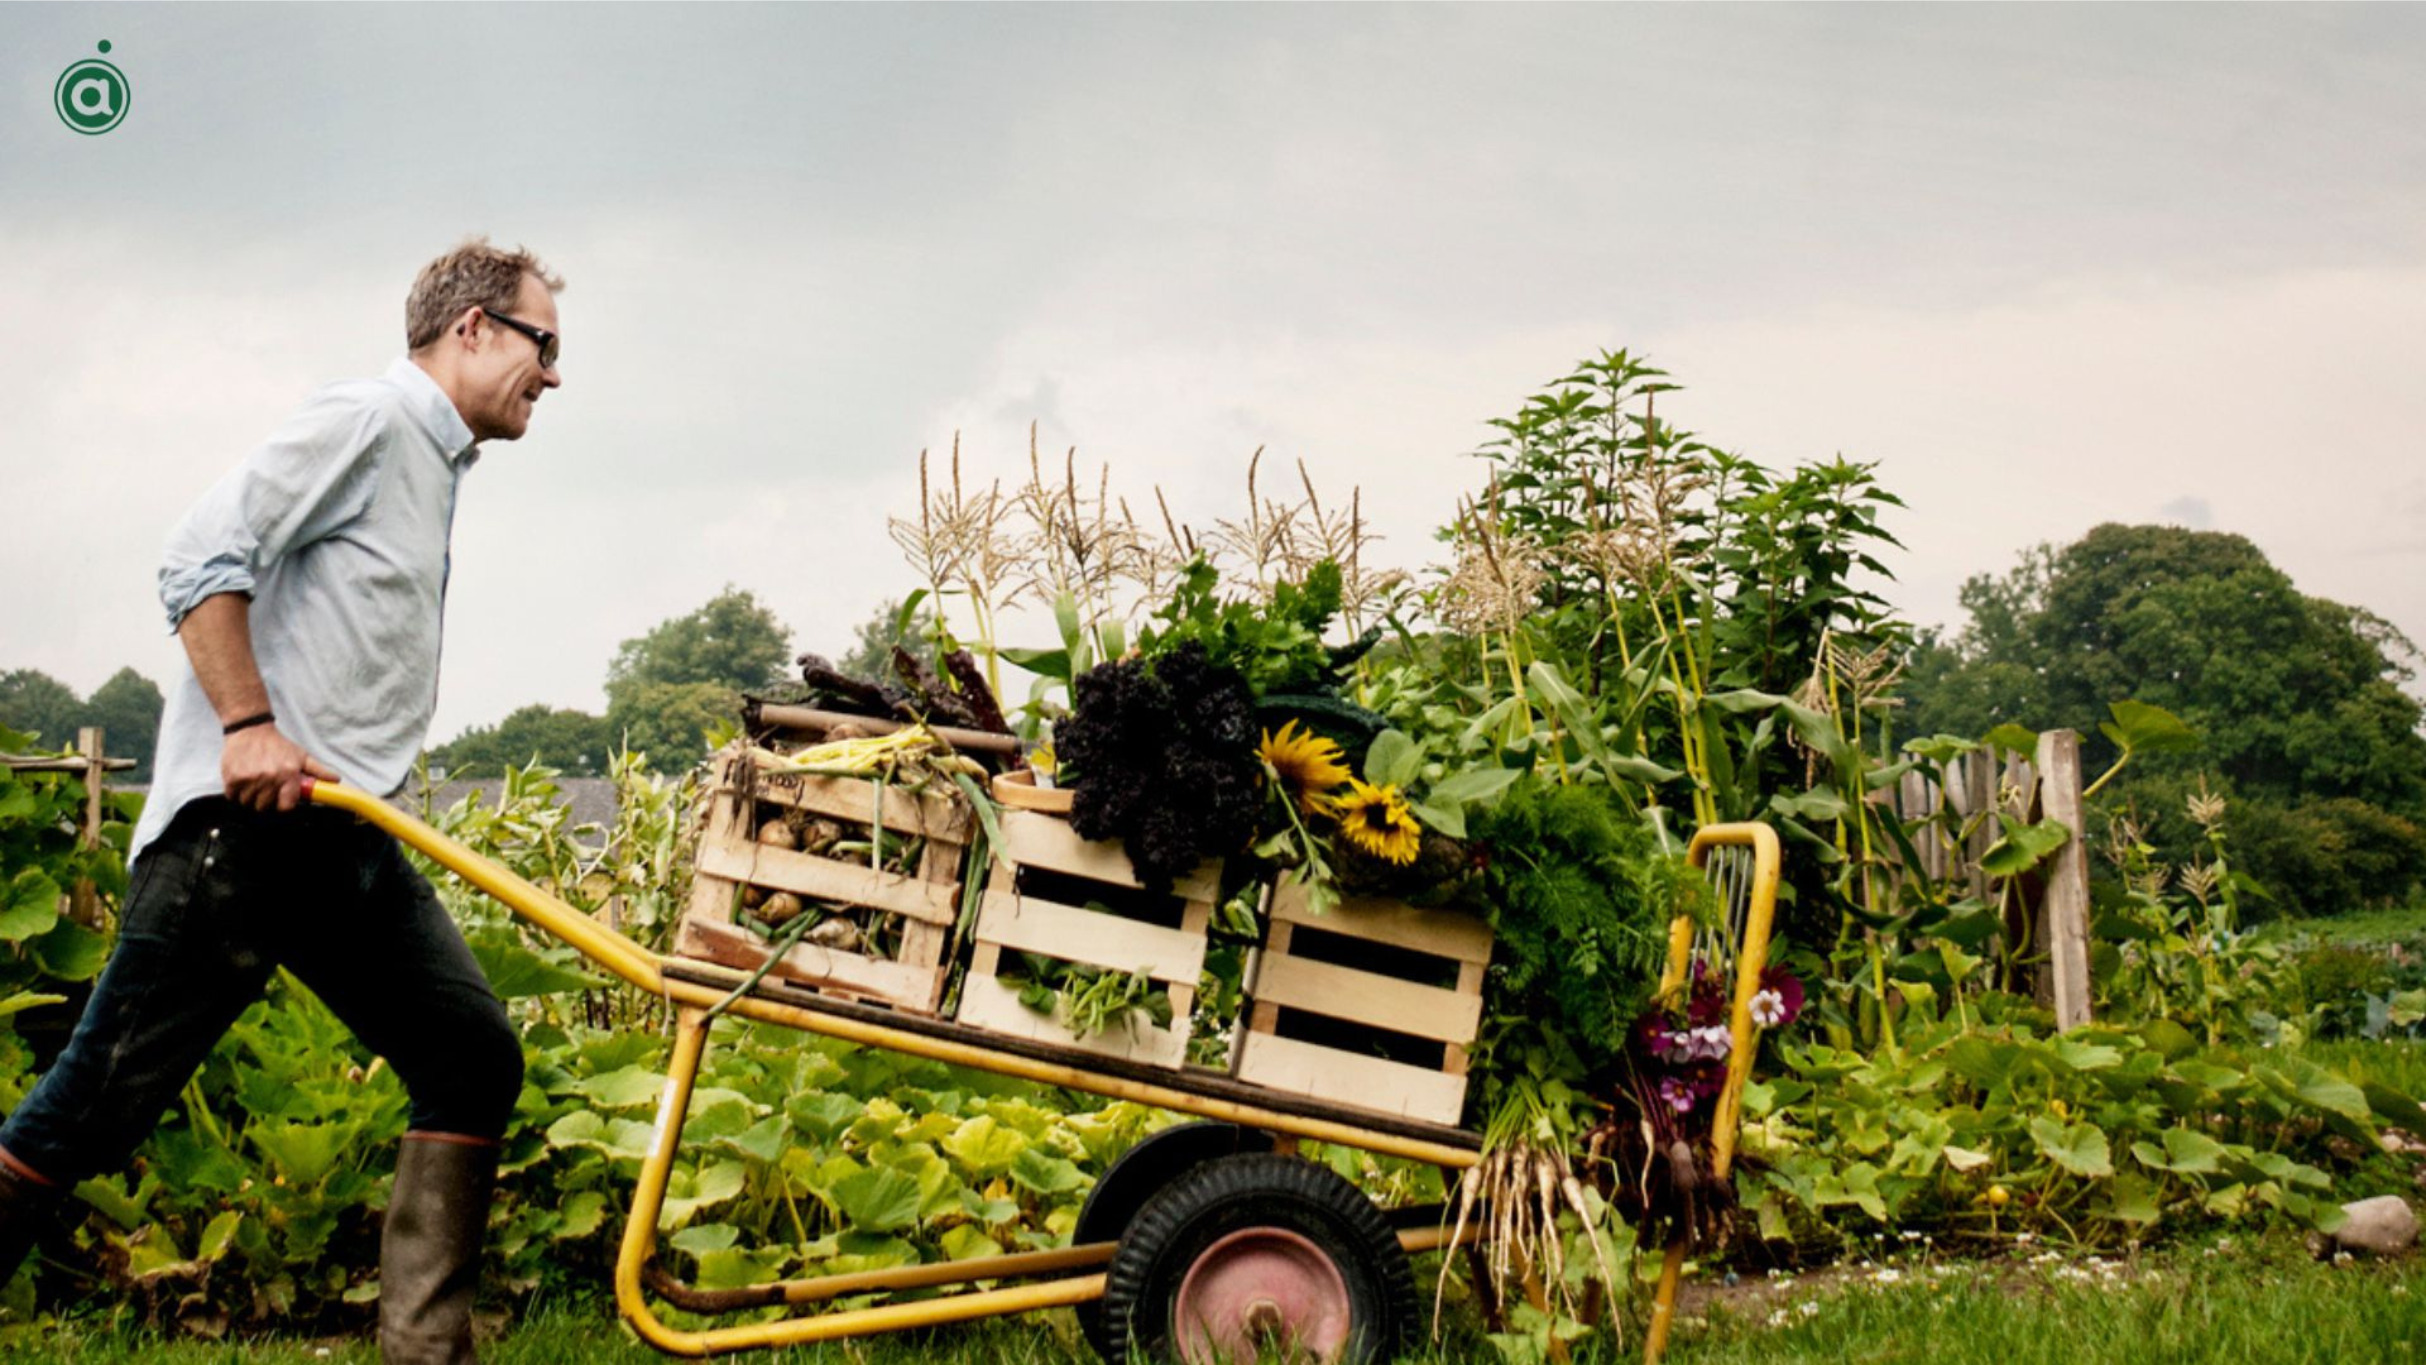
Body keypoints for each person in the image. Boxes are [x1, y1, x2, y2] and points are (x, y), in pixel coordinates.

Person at [0, 238, 565, 1363]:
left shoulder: (434, 461)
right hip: (242, 839)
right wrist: (247, 725)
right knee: (94, 1106)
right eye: (541, 344)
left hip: (343, 840)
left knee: (469, 1055)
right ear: (471, 328)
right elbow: (198, 554)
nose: (553, 374)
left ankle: (426, 1354)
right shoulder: (369, 421)